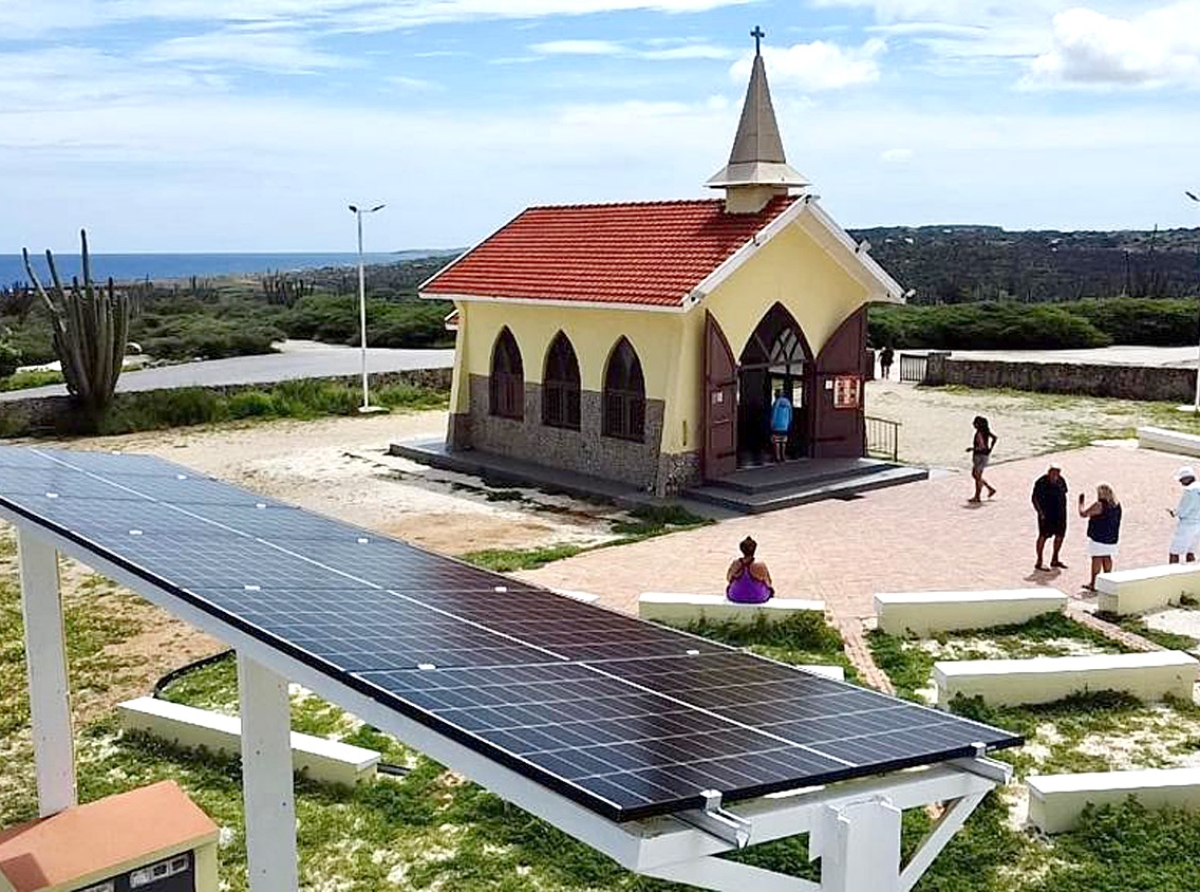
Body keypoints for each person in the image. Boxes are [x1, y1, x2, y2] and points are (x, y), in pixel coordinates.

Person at [1080, 483, 1121, 592]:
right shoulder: (1116, 505)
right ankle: (1108, 581)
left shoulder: (1099, 505)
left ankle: (1093, 583)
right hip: (1111, 538)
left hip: (1099, 537)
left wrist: (1081, 503)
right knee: (1107, 558)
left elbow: (1083, 514)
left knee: (1096, 559)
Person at [1032, 463, 1069, 571]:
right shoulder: (1041, 482)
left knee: (1060, 536)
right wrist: (1040, 513)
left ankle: (1055, 558)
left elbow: (1064, 492)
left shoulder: (1061, 480)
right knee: (1043, 536)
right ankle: (1039, 561)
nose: (1055, 474)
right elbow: (1034, 498)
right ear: (1048, 472)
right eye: (1053, 472)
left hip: (1060, 514)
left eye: (1057, 472)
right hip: (1046, 514)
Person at [726, 536, 774, 604]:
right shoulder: (760, 565)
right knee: (770, 591)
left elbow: (728, 578)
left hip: (735, 596)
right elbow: (768, 583)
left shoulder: (735, 563)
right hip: (758, 598)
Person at [1168, 466, 1200, 563]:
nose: (1180, 482)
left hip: (1187, 525)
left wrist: (1174, 512)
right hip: (1198, 524)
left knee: (1174, 552)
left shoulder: (1189, 490)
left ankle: (1172, 573)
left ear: (1188, 478)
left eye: (1181, 479)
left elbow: (1184, 510)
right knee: (1191, 552)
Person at [966, 416, 998, 502]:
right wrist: (990, 448)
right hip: (984, 456)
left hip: (979, 456)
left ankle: (977, 496)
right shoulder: (986, 432)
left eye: (975, 423)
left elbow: (981, 447)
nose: (973, 424)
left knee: (977, 477)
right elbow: (995, 438)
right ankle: (989, 488)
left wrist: (972, 449)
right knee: (975, 475)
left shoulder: (979, 433)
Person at [770, 389, 793, 463]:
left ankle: (777, 457)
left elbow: (774, 413)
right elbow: (790, 414)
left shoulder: (776, 402)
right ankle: (783, 456)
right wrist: (788, 422)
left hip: (777, 424)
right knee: (783, 442)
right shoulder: (788, 402)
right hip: (785, 425)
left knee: (776, 441)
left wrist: (772, 423)